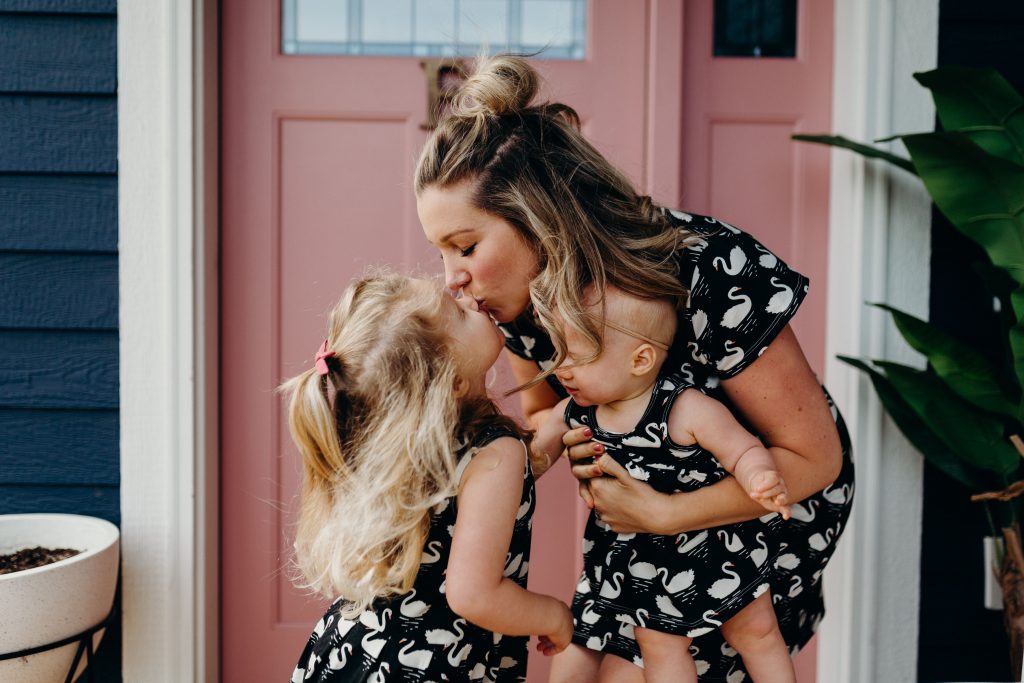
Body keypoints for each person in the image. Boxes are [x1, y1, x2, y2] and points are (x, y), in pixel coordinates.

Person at [416, 54, 854, 682]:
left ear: (538, 219)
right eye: (441, 252)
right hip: (635, 530)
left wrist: (664, 513)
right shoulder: (515, 298)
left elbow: (815, 459)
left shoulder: (710, 268)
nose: (452, 278)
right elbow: (548, 414)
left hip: (757, 513)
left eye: (464, 246)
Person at [282, 273, 573, 683]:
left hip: (356, 651)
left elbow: (487, 494)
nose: (467, 299)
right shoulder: (495, 453)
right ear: (451, 382)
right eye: (457, 312)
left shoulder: (409, 451)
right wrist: (555, 616)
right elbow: (473, 594)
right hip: (427, 665)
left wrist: (562, 420)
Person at [531, 283, 794, 683]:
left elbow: (742, 449)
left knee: (756, 631)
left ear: (639, 360)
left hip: (713, 540)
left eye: (576, 356)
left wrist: (760, 476)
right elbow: (532, 461)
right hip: (641, 556)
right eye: (557, 352)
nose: (560, 368)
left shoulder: (685, 408)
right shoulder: (574, 411)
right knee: (660, 645)